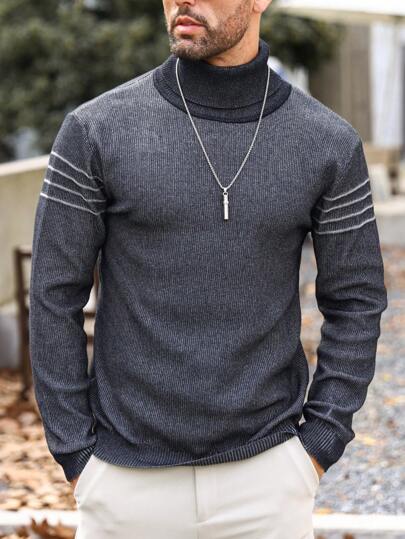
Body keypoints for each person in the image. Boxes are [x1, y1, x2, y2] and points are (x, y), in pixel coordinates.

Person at [29, 0, 388, 537]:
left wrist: (320, 442)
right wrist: (76, 453)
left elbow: (357, 300)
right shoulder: (95, 130)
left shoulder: (327, 143)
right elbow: (53, 294)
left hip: (267, 481)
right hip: (123, 483)